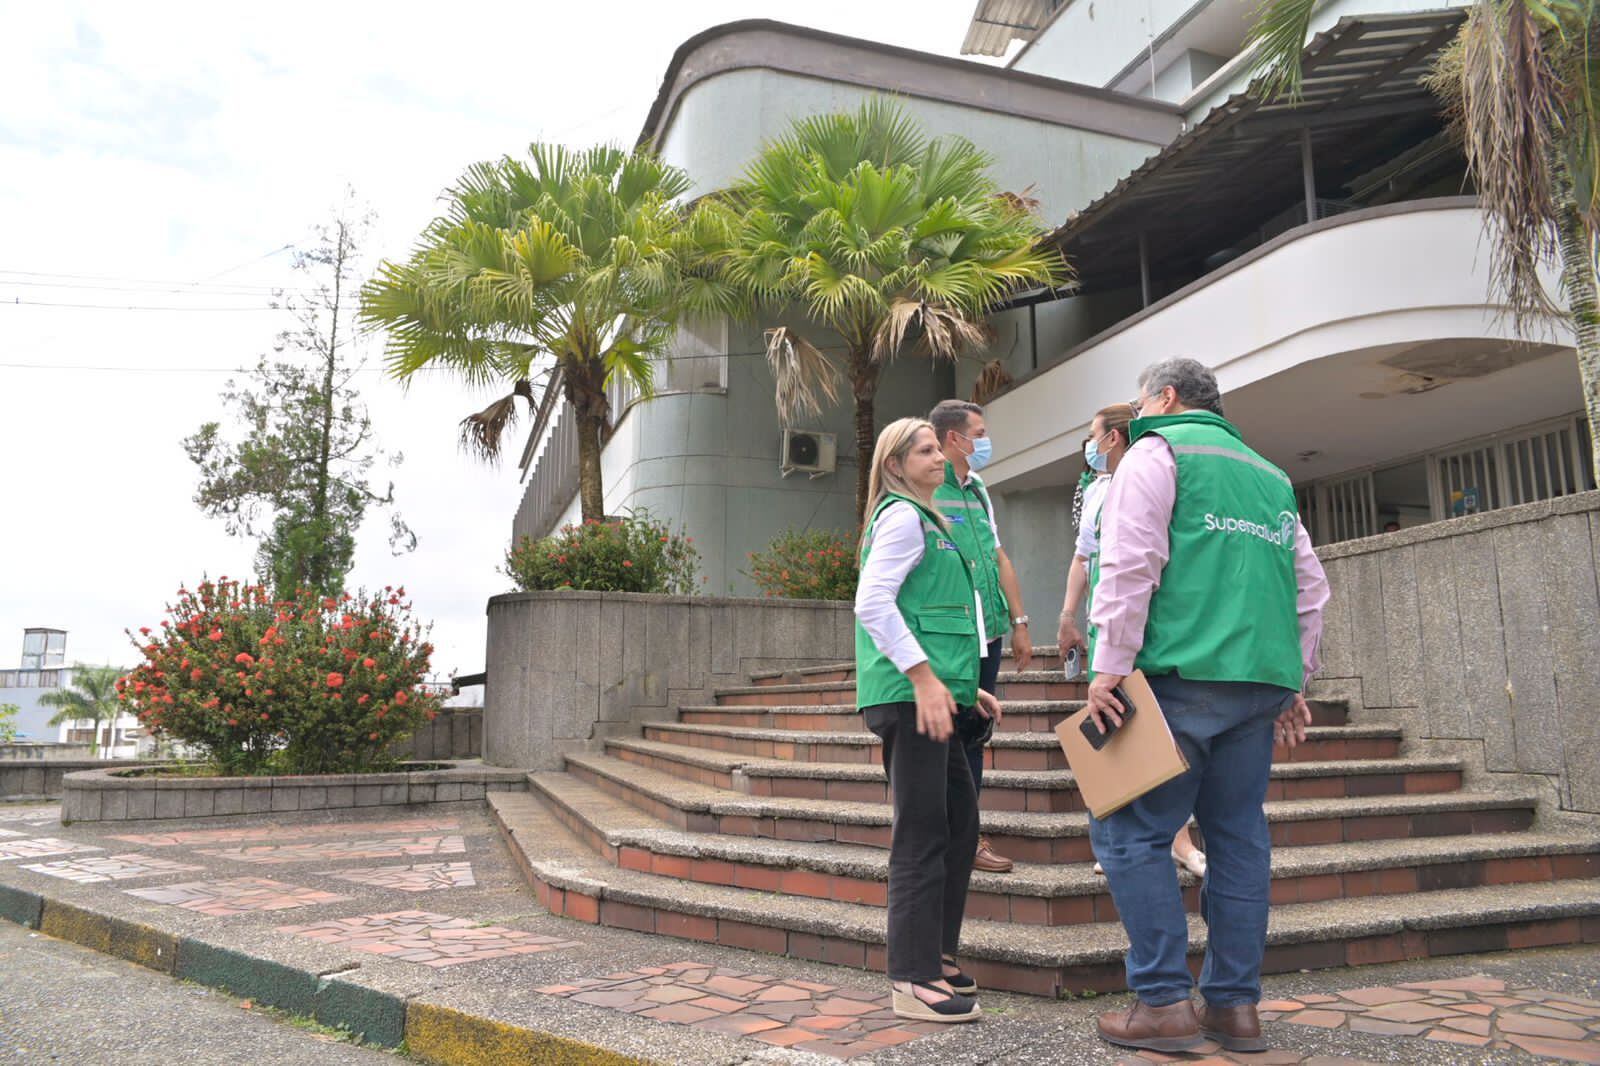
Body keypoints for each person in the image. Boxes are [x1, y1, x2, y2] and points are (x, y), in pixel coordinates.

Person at [1083, 358, 1330, 1054]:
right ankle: (1234, 1008)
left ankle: (1162, 1002)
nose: (1134, 415)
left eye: (1140, 402)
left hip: (1176, 679)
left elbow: (1132, 563)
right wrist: (1294, 684)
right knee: (1238, 838)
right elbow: (1309, 590)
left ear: (1165, 398)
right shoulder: (1269, 474)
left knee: (1127, 832)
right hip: (1257, 687)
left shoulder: (1155, 452)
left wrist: (1108, 668)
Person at [854, 416, 1005, 1023]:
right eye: (924, 450)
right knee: (921, 833)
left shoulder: (926, 516)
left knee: (960, 826)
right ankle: (911, 979)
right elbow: (873, 602)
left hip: (936, 699)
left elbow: (933, 614)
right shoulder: (900, 516)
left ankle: (935, 955)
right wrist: (922, 679)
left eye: (936, 447)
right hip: (908, 696)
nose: (939, 456)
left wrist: (965, 691)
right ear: (895, 464)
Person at [928, 399, 1032, 875]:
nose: (986, 442)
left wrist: (1019, 623)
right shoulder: (926, 488)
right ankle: (948, 835)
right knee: (947, 736)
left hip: (988, 632)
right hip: (951, 637)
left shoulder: (979, 488)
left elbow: (998, 556)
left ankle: (967, 835)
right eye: (980, 432)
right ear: (955, 438)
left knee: (974, 734)